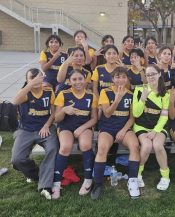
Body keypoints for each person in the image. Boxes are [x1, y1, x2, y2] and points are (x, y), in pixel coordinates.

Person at [91, 67, 140, 200]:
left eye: (123, 77)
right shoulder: (105, 92)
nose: (120, 79)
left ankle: (133, 181)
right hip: (107, 128)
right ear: (112, 79)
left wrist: (124, 130)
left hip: (123, 128)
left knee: (135, 146)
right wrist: (117, 99)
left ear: (127, 79)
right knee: (102, 149)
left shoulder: (131, 94)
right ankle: (98, 183)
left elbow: (132, 118)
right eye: (117, 77)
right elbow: (107, 113)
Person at [11, 68, 58, 200]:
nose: (36, 79)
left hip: (45, 128)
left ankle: (45, 186)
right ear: (27, 80)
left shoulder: (48, 91)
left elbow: (53, 112)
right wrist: (30, 84)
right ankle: (35, 175)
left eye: (39, 77)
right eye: (32, 77)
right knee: (17, 159)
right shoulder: (25, 92)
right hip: (26, 130)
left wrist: (47, 125)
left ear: (43, 77)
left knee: (53, 149)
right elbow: (15, 101)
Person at [52, 69, 98, 199]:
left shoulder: (91, 96)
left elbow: (94, 119)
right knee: (65, 146)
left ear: (85, 80)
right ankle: (56, 182)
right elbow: (57, 119)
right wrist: (64, 110)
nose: (78, 82)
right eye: (74, 79)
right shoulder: (63, 94)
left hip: (84, 127)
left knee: (85, 144)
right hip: (66, 126)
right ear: (69, 81)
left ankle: (88, 179)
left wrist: (82, 128)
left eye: (80, 79)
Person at [132, 64, 170, 191]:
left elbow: (164, 116)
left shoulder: (165, 94)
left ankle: (165, 176)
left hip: (158, 126)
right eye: (148, 75)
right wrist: (143, 98)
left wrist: (155, 131)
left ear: (159, 74)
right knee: (147, 145)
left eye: (153, 73)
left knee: (158, 146)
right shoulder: (139, 90)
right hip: (141, 125)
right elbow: (136, 114)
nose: (151, 77)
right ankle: (138, 174)